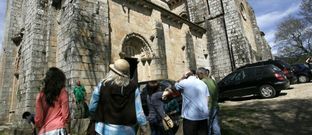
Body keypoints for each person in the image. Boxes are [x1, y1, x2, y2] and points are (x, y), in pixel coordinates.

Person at [88, 59, 148, 135]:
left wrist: (94, 115)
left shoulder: (102, 85)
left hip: (103, 129)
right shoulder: (133, 87)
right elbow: (139, 112)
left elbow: (92, 106)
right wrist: (143, 126)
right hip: (127, 131)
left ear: (112, 71)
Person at [163, 69, 210, 135]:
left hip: (190, 117)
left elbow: (173, 87)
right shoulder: (203, 84)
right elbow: (207, 98)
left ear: (186, 76)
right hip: (203, 116)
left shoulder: (184, 82)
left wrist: (182, 77)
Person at [35, 67, 70, 135]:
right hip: (58, 129)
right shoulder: (62, 92)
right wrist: (68, 131)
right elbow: (65, 115)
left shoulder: (40, 95)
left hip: (44, 131)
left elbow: (38, 119)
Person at [197, 67, 221, 135]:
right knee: (216, 127)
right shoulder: (213, 81)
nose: (197, 76)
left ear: (201, 74)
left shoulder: (201, 82)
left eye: (198, 75)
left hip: (208, 108)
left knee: (207, 129)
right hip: (215, 106)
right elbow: (217, 92)